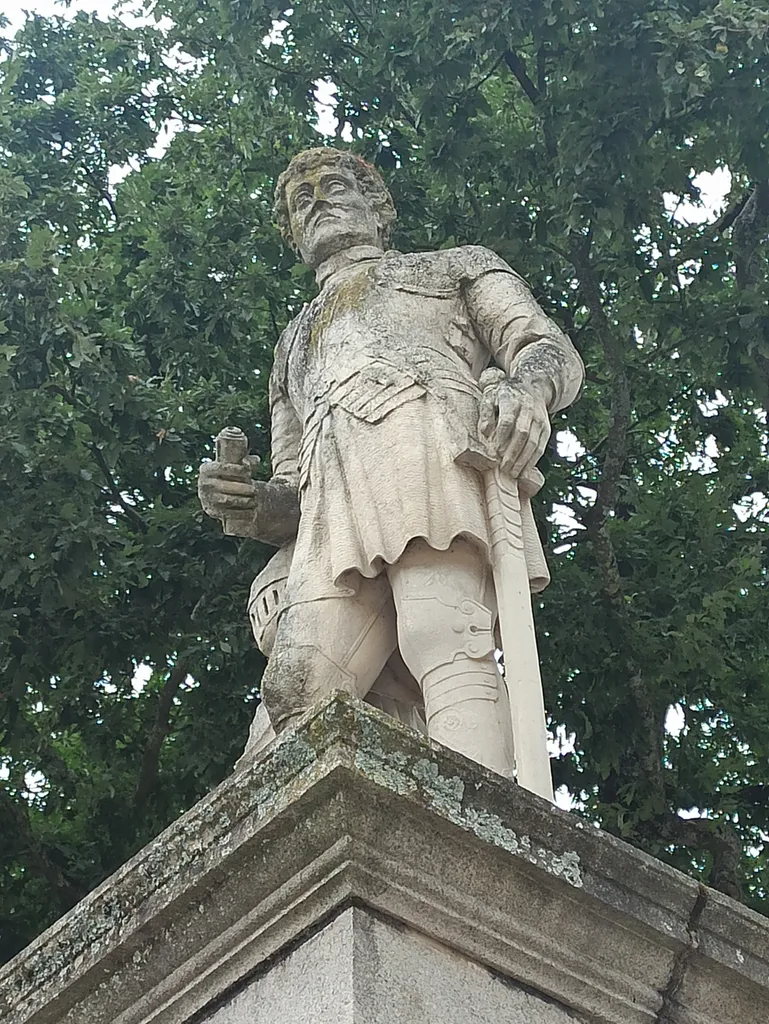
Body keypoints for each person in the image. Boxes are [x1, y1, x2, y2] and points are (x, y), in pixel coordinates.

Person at [198, 148, 583, 777]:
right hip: (332, 510)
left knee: (443, 631)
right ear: (295, 237)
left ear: (379, 208)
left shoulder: (456, 268)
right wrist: (248, 502)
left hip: (429, 448)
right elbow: (294, 485)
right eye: (302, 201)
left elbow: (543, 346)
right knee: (295, 689)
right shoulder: (292, 344)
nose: (317, 201)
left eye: (334, 186)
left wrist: (527, 392)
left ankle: (476, 839)